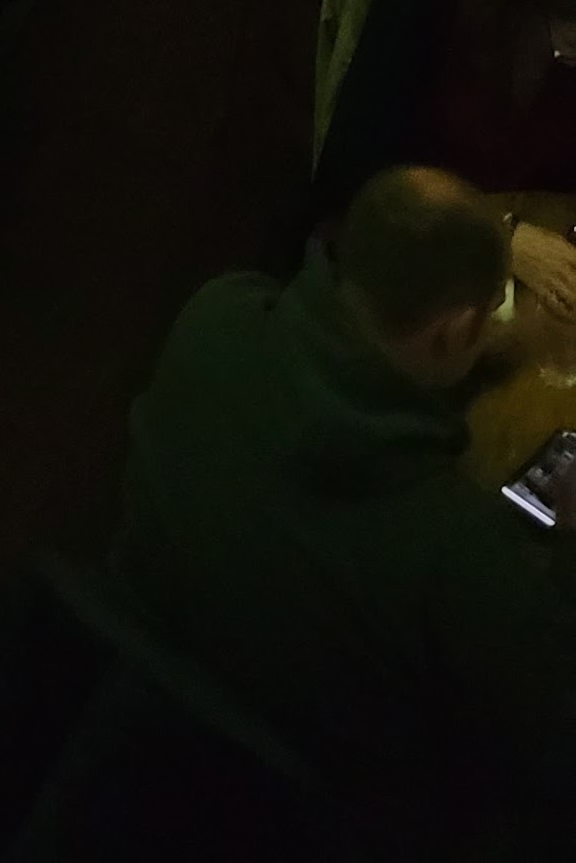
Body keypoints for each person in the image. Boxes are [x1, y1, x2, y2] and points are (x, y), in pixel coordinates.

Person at [113, 167, 576, 824]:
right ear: (452, 332)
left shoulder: (216, 312)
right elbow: (549, 743)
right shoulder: (455, 547)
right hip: (306, 807)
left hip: (130, 688)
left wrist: (463, 358)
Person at [313, 0, 576, 275]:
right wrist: (498, 233)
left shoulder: (560, 39)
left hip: (522, 250)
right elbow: (353, 177)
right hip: (402, 251)